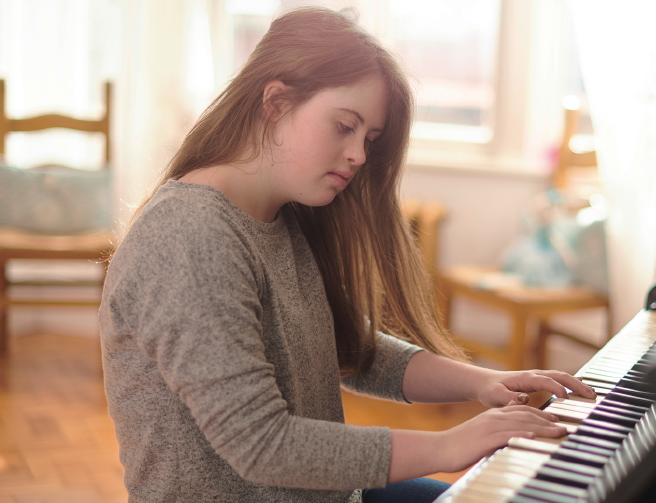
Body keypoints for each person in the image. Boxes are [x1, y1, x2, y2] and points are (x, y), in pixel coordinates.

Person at [99, 6, 596, 503]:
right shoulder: (189, 235)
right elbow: (262, 444)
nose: (359, 154)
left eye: (369, 139)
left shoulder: (280, 217)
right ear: (274, 102)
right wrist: (448, 445)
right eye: (344, 126)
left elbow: (349, 347)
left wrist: (484, 382)